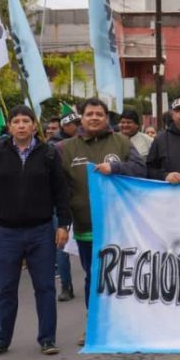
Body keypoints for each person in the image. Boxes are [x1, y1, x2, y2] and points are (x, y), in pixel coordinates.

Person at [0, 105, 71, 358]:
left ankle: (47, 338)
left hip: (41, 231)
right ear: (9, 127)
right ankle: (0, 340)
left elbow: (61, 193)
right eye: (16, 121)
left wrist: (63, 224)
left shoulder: (48, 154)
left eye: (25, 121)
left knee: (45, 288)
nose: (21, 125)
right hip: (5, 232)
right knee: (6, 289)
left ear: (33, 126)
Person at [59, 97, 146, 319]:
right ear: (82, 118)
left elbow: (140, 170)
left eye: (99, 114)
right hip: (85, 225)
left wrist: (116, 167)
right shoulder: (65, 148)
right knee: (94, 274)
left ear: (106, 118)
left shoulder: (122, 142)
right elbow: (56, 186)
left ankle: (124, 322)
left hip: (121, 225)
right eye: (89, 114)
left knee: (122, 274)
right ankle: (95, 324)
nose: (94, 118)